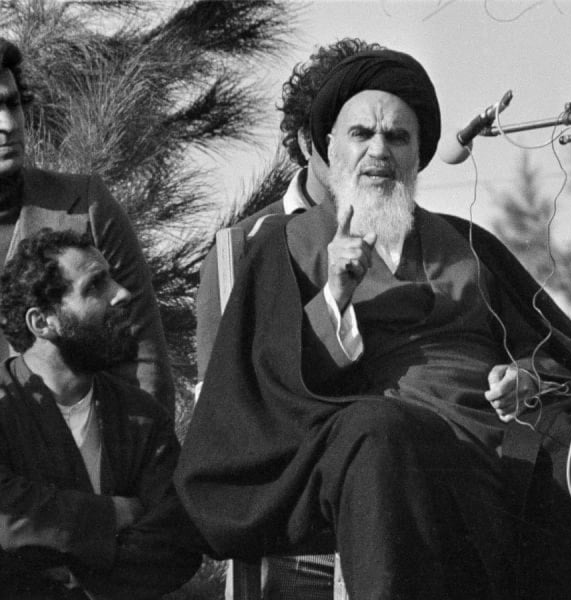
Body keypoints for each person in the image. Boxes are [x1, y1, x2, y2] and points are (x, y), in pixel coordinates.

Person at [176, 48, 571, 599]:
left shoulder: (468, 242)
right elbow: (263, 387)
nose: (379, 149)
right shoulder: (285, 246)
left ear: (417, 155)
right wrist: (335, 295)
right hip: (390, 444)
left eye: (397, 137)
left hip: (499, 438)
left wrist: (526, 378)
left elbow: (558, 353)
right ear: (328, 148)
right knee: (382, 431)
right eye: (361, 134)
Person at [195, 38, 384, 600]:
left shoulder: (417, 234)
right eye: (350, 132)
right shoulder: (244, 248)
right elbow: (224, 411)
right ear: (308, 140)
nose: (371, 152)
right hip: (293, 541)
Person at [0, 228, 200, 599]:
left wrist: (63, 567)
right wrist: (112, 515)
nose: (122, 293)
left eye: (113, 279)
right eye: (95, 286)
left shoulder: (141, 416)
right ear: (42, 322)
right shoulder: (6, 405)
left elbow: (176, 543)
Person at [0, 38, 173, 412]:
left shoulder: (86, 205)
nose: (8, 125)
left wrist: (141, 444)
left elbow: (144, 359)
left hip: (88, 441)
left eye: (12, 104)